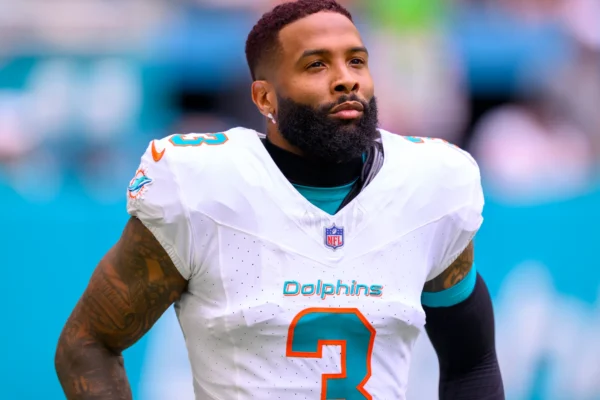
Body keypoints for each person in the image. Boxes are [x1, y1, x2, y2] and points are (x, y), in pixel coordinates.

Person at [55, 1, 504, 399]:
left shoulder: (428, 185)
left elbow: (473, 363)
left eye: (356, 61)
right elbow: (87, 343)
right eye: (316, 65)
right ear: (264, 96)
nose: (345, 80)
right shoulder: (204, 187)